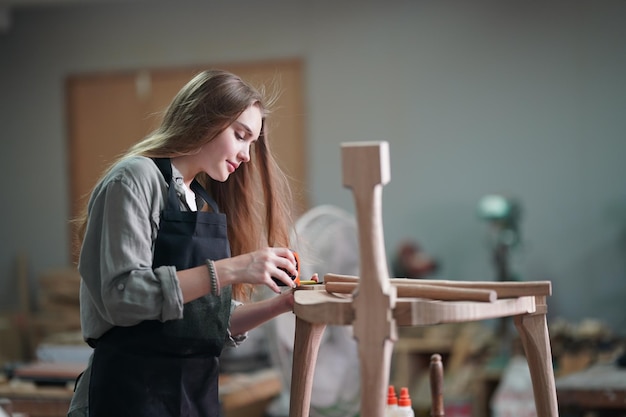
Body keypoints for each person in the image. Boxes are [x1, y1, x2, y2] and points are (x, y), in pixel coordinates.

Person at [67, 69, 308, 417]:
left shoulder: (198, 201)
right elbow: (123, 296)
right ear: (204, 119)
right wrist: (235, 268)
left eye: (251, 143)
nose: (246, 156)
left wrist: (284, 304)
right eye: (240, 136)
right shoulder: (136, 178)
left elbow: (205, 319)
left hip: (191, 400)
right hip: (127, 397)